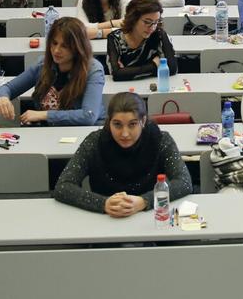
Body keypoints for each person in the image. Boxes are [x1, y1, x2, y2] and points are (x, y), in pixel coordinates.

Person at [54, 92, 191, 215]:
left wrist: (144, 201)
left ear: (143, 121)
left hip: (147, 217)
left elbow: (184, 182)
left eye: (132, 124)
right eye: (117, 125)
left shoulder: (161, 140)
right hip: (103, 219)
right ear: (109, 122)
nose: (125, 134)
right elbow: (63, 186)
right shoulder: (94, 142)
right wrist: (103, 203)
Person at [0, 16, 105, 125]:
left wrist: (45, 115)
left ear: (78, 47)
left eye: (64, 46)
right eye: (54, 43)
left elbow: (88, 116)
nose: (56, 50)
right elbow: (8, 88)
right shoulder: (43, 64)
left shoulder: (93, 70)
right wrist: (3, 97)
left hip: (83, 132)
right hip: (48, 132)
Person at [106, 0, 177, 80]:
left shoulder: (159, 34)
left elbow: (172, 68)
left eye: (156, 22)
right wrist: (154, 65)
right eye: (147, 22)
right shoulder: (115, 38)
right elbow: (117, 74)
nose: (152, 28)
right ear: (133, 19)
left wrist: (128, 71)